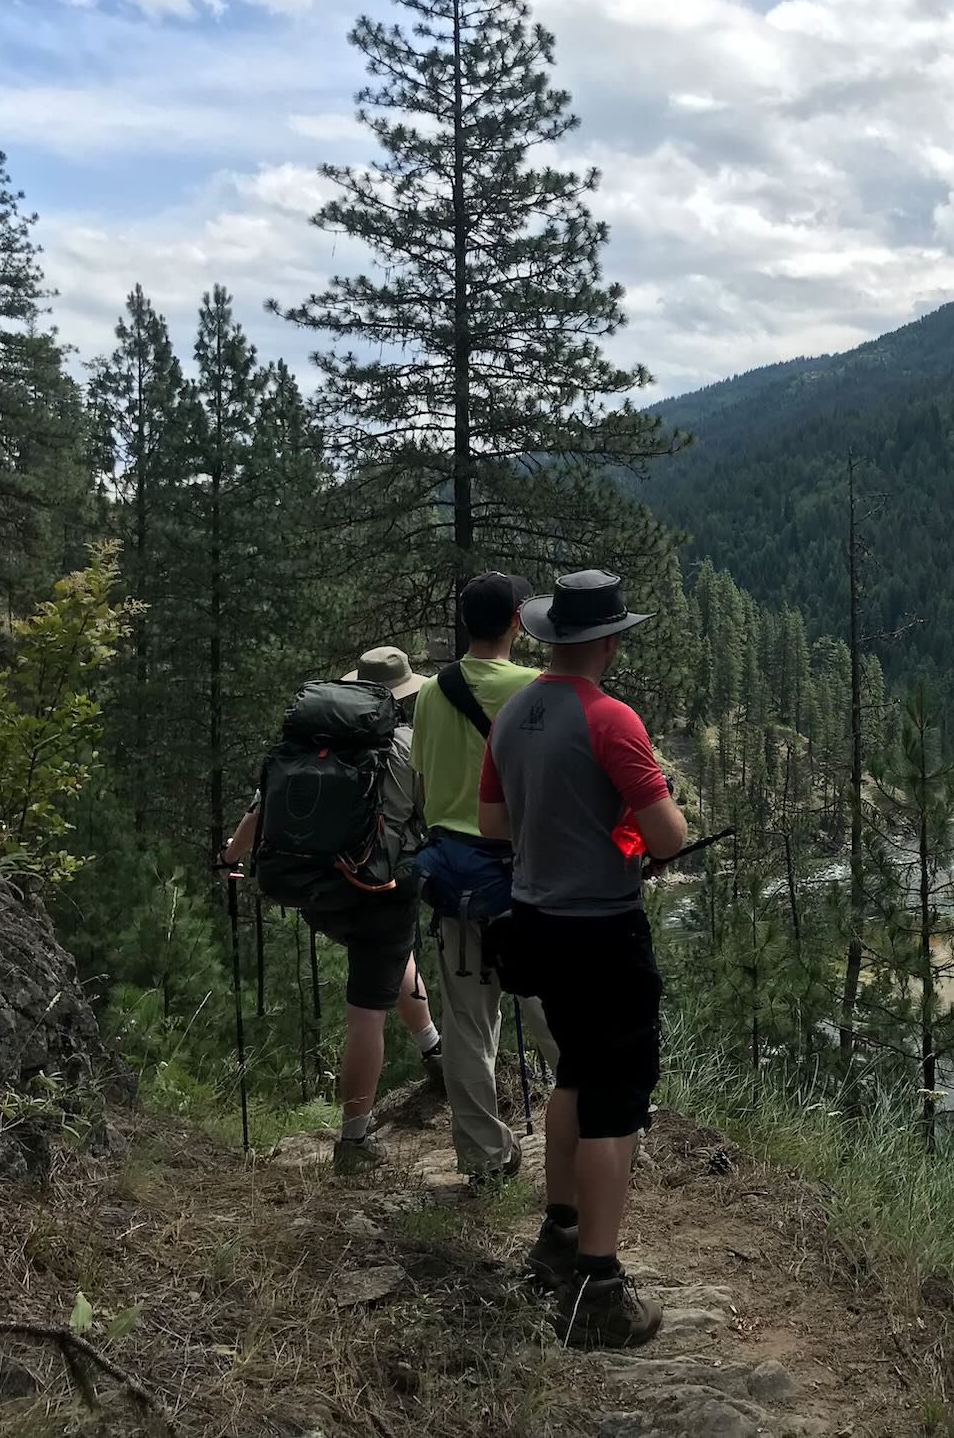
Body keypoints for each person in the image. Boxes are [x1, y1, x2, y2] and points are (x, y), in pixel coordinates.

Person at [477, 570, 685, 1349]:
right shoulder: (611, 720)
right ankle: (598, 1286)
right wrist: (637, 815)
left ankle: (558, 1235)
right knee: (616, 1098)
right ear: (607, 640)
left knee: (572, 1070)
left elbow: (494, 823)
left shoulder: (513, 711)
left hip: (535, 923)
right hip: (603, 933)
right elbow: (665, 837)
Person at [221, 646, 443, 1175]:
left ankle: (435, 1053)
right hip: (380, 890)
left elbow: (261, 809)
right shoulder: (408, 746)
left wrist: (230, 858)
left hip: (314, 888)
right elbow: (433, 813)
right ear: (403, 695)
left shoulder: (307, 744)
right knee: (367, 1010)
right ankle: (354, 1142)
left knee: (390, 959)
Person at [410, 572, 560, 1185]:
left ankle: (482, 1156)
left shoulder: (430, 693)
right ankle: (604, 1128)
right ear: (518, 620)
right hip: (524, 880)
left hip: (453, 877)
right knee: (555, 1012)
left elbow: (421, 788)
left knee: (468, 1026)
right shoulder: (534, 690)